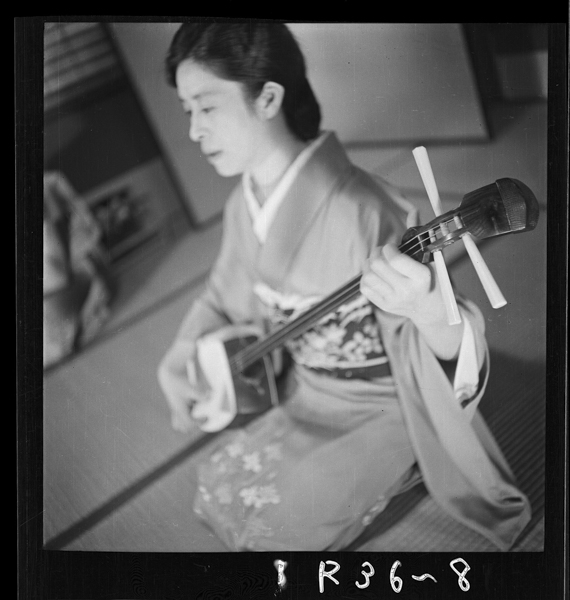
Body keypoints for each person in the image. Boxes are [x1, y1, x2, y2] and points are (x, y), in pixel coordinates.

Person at [157, 23, 530, 551]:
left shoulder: (366, 209)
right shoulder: (244, 204)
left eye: (206, 107)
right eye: (186, 111)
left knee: (277, 534)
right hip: (307, 390)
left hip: (379, 403)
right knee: (220, 492)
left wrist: (425, 307)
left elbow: (427, 345)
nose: (194, 130)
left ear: (268, 98)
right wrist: (180, 350)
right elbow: (224, 294)